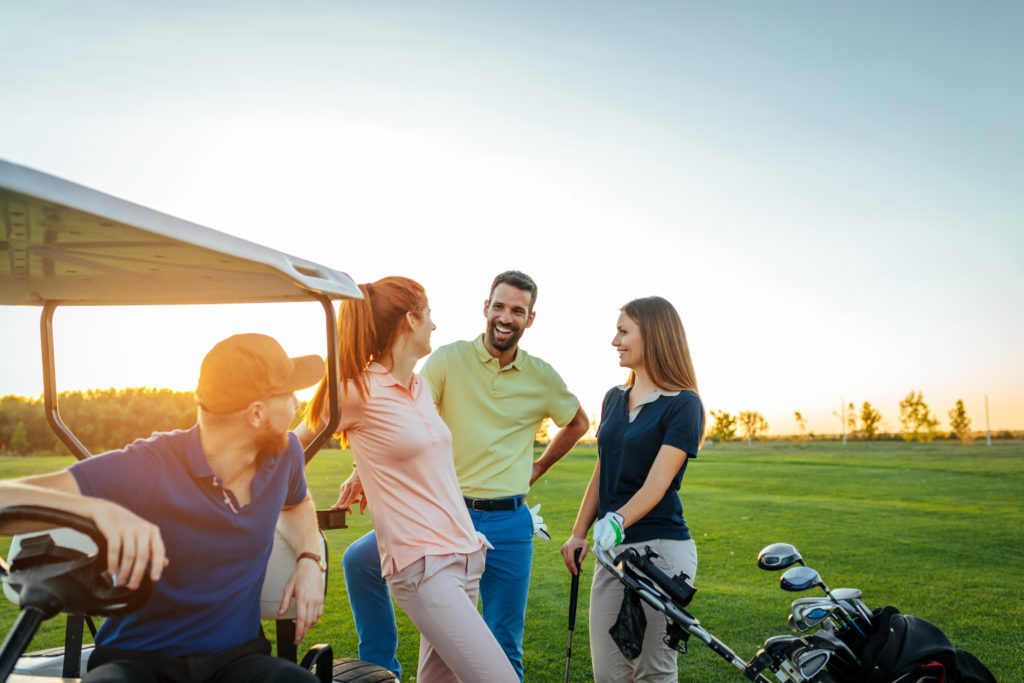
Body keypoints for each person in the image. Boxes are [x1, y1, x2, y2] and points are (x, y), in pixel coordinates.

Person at [0, 333, 326, 683]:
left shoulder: (285, 453)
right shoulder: (149, 466)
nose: (297, 403)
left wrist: (310, 558)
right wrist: (96, 509)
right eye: (288, 394)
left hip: (237, 660)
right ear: (257, 413)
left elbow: (298, 504)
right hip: (138, 662)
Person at [324, 270, 589, 680]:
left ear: (530, 319)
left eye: (517, 310)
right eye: (499, 306)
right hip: (439, 521)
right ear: (486, 308)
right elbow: (392, 417)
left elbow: (578, 423)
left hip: (500, 525)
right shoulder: (445, 361)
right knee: (359, 561)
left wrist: (535, 469)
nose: (505, 316)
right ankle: (380, 671)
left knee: (503, 643)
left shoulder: (542, 376)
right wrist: (362, 467)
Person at [298, 276, 518, 683]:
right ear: (410, 319)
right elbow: (291, 447)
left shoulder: (419, 388)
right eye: (429, 314)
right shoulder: (357, 391)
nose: (434, 325)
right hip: (423, 569)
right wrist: (285, 506)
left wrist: (363, 471)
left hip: (465, 557)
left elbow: (405, 450)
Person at [560, 296, 705, 683]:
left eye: (624, 331)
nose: (615, 341)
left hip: (662, 553)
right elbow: (602, 470)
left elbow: (658, 482)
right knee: (609, 673)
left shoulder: (684, 405)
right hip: (613, 553)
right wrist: (579, 532)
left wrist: (618, 520)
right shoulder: (613, 398)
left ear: (653, 336)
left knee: (653, 672)